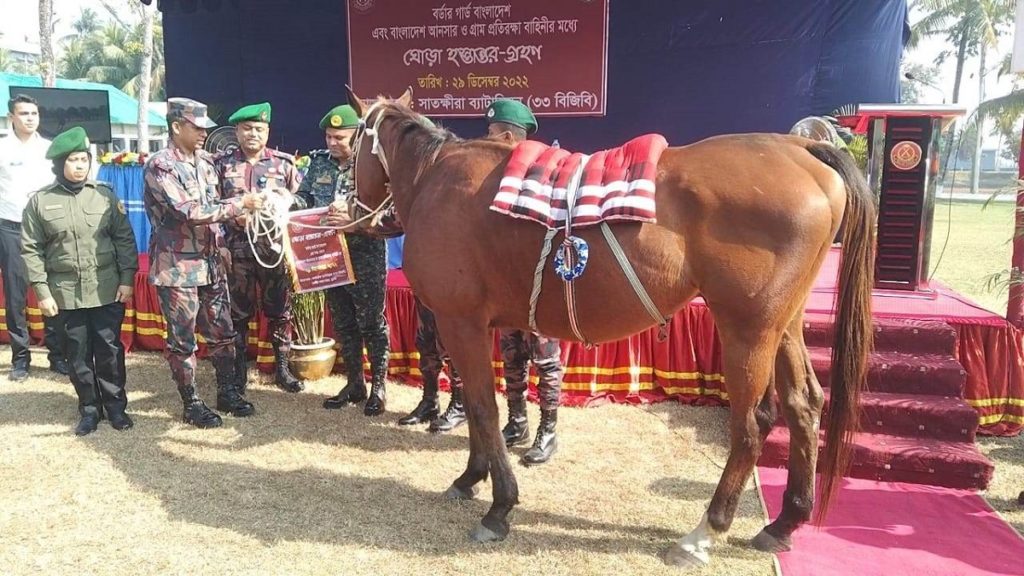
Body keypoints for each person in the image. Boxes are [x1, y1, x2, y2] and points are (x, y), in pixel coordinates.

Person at [144, 97, 264, 428]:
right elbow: (189, 211)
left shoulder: (206, 163)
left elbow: (214, 208)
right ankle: (192, 403)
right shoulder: (161, 166)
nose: (203, 134)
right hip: (177, 268)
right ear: (176, 127)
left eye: (205, 128)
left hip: (211, 263)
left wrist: (223, 244)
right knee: (183, 341)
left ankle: (227, 392)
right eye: (196, 128)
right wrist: (240, 204)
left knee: (223, 332)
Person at [21, 127, 138, 435]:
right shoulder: (40, 202)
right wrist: (42, 292)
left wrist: (127, 278)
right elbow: (31, 249)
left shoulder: (104, 196)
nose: (80, 166)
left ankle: (116, 407)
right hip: (65, 293)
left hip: (106, 288)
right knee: (77, 354)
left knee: (110, 351)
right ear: (59, 164)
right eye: (73, 160)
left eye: (84, 159)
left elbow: (124, 238)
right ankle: (89, 409)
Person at [296, 104, 389, 417]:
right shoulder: (319, 162)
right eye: (328, 136)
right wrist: (284, 202)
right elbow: (304, 197)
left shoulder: (372, 164)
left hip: (365, 251)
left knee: (371, 322)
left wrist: (354, 220)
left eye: (339, 137)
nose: (332, 142)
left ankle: (379, 387)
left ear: (357, 137)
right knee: (344, 322)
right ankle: (354, 383)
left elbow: (387, 209)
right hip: (328, 253)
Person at [488, 100, 565, 464]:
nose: (485, 139)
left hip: (538, 286)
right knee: (512, 354)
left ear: (506, 137)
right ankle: (517, 420)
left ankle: (548, 431)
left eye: (490, 134)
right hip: (505, 284)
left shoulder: (545, 171)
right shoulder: (493, 176)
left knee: (545, 359)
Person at [215, 102, 304, 394]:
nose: (253, 134)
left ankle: (282, 369)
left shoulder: (284, 164)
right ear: (237, 131)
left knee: (280, 311)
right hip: (236, 250)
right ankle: (238, 372)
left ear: (267, 132)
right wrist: (230, 221)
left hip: (273, 252)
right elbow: (210, 207)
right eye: (247, 128)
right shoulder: (221, 165)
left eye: (259, 129)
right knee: (237, 314)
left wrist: (279, 209)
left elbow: (300, 202)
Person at [0, 95, 68, 380]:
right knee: (16, 296)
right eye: (24, 113)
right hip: (11, 226)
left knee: (51, 291)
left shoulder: (49, 148)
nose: (30, 118)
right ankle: (21, 358)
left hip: (46, 229)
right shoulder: (2, 148)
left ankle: (57, 354)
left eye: (34, 113)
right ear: (11, 117)